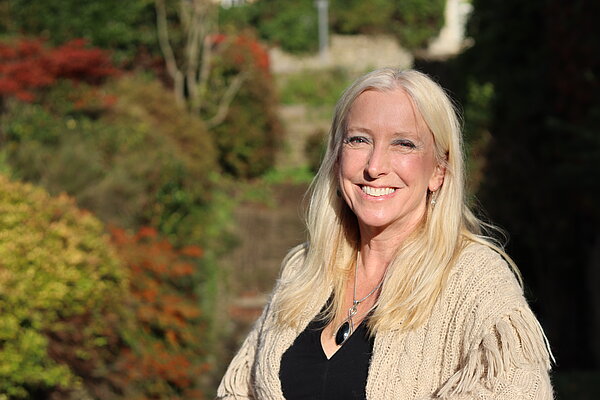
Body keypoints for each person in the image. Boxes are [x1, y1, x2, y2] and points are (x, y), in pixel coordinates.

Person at [217, 68, 553, 399]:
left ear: (439, 170)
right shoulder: (303, 270)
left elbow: (519, 388)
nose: (375, 166)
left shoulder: (475, 280)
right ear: (336, 156)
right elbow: (239, 391)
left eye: (403, 144)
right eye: (359, 140)